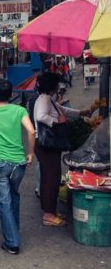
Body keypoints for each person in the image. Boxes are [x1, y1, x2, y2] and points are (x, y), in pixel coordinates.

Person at [0, 79, 35, 255]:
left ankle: (12, 243)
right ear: (11, 94)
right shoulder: (20, 110)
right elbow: (31, 131)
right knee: (14, 195)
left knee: (4, 202)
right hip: (19, 163)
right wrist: (31, 153)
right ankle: (14, 230)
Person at [33, 72, 90, 227]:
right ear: (52, 85)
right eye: (57, 84)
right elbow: (40, 117)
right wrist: (56, 121)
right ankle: (48, 215)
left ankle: (48, 210)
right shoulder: (45, 99)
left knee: (49, 177)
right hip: (46, 144)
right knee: (52, 178)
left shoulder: (47, 99)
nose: (59, 86)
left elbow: (63, 110)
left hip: (46, 145)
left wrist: (81, 113)